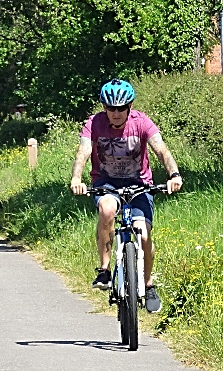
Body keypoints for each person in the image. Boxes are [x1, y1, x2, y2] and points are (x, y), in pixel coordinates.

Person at [70, 78, 183, 314]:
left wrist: (174, 174)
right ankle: (104, 270)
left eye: (122, 108)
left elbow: (161, 150)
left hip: (139, 183)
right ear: (104, 108)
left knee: (142, 234)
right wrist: (76, 179)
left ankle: (149, 284)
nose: (116, 113)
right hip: (107, 182)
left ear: (129, 107)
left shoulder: (141, 122)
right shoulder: (94, 123)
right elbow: (83, 152)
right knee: (107, 210)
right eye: (111, 108)